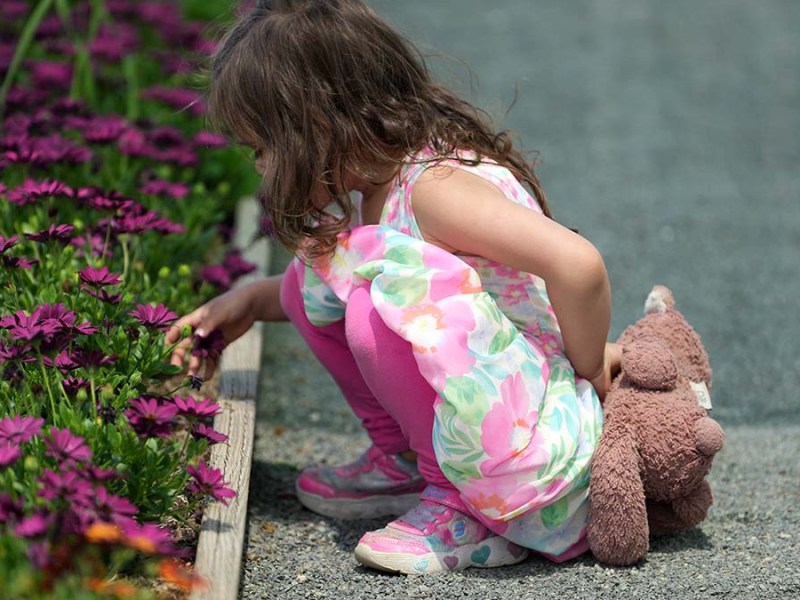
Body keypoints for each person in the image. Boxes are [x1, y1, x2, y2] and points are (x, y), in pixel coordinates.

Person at [167, 0, 621, 575]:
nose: (261, 169)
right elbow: (324, 285)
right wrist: (251, 302)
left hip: (534, 440)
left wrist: (589, 372)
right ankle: (406, 460)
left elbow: (578, 265)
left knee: (372, 307)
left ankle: (465, 508)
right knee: (319, 278)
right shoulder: (380, 185)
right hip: (493, 409)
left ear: (318, 127)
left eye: (263, 149)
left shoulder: (435, 189)